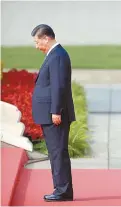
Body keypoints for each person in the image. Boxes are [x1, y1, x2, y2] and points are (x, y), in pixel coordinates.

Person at [31, 24, 76, 201]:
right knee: (56, 152)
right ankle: (61, 188)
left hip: (55, 114)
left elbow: (59, 86)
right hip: (51, 112)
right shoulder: (55, 55)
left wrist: (56, 110)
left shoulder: (57, 56)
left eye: (37, 42)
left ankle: (62, 191)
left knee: (58, 152)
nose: (36, 46)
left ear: (46, 38)